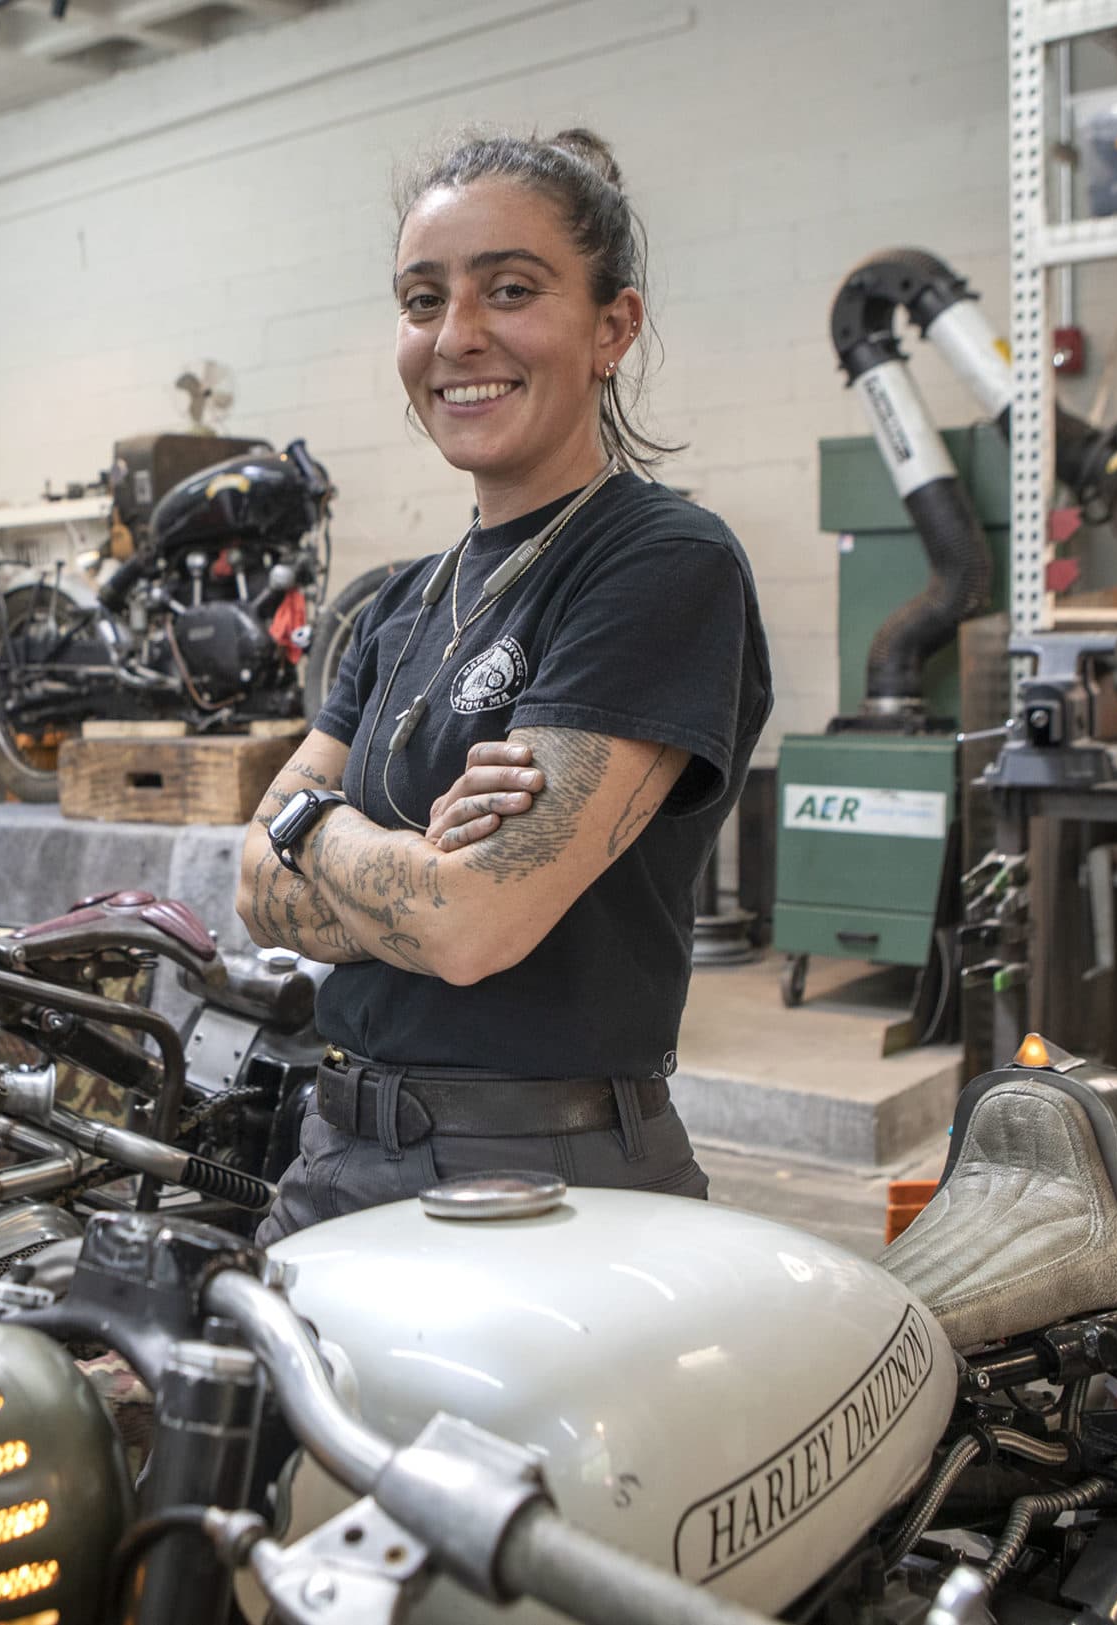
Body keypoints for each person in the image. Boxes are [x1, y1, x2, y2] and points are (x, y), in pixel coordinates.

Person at [235, 127, 773, 1242]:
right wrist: (401, 858)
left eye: (511, 290)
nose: (457, 336)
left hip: (537, 1175)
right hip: (331, 1146)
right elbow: (254, 894)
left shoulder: (658, 562)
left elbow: (470, 923)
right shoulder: (399, 603)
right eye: (421, 299)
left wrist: (310, 822)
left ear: (612, 326)